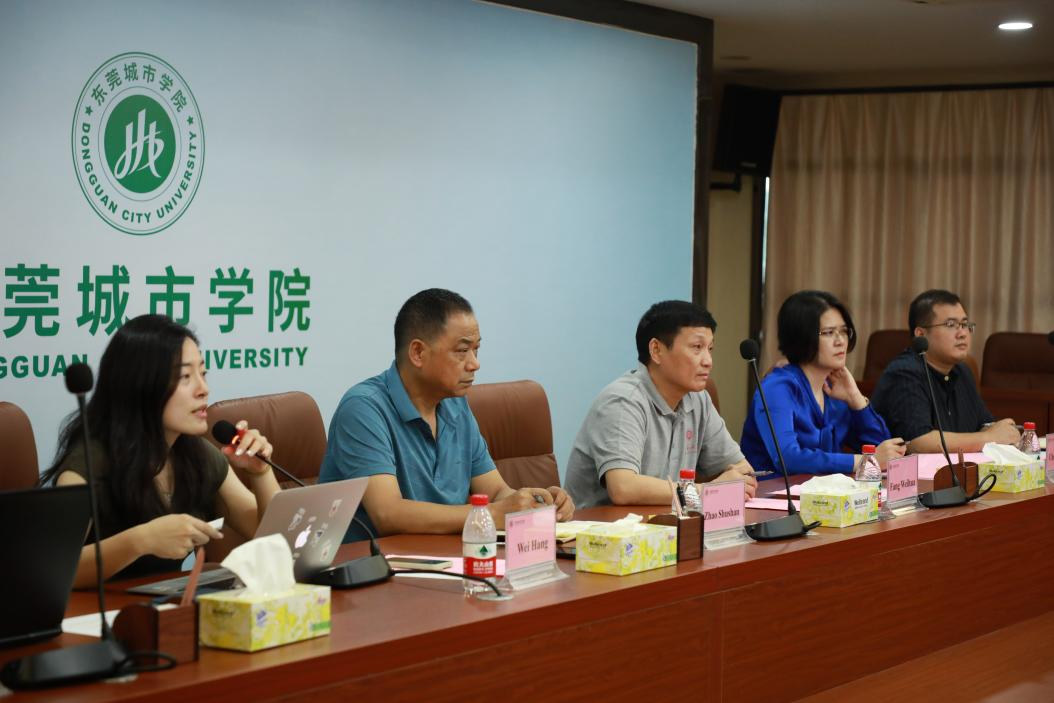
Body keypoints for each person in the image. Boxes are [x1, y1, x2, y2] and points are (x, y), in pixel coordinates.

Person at [40, 315, 281, 588]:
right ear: (141, 385)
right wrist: (140, 541)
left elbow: (274, 538)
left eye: (203, 374)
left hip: (166, 607)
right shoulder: (88, 464)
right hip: (95, 611)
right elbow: (55, 571)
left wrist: (261, 473)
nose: (203, 389)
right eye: (185, 377)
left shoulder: (196, 454)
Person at [319, 288, 574, 541]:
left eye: (476, 350)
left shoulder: (455, 405)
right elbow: (388, 513)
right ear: (418, 353)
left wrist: (534, 503)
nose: (474, 363)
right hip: (375, 562)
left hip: (444, 558)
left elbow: (496, 492)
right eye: (462, 351)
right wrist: (490, 514)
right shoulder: (364, 408)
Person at [564, 301, 757, 509]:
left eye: (710, 349)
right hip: (601, 528)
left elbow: (743, 471)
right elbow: (623, 487)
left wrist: (739, 480)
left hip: (665, 523)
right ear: (656, 350)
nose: (708, 361)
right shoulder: (623, 401)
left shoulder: (698, 399)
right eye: (697, 347)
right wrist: (705, 491)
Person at [740, 290, 904, 475]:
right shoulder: (777, 388)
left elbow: (884, 451)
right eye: (828, 333)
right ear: (801, 337)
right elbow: (788, 458)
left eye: (843, 331)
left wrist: (856, 399)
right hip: (773, 491)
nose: (840, 341)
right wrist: (863, 461)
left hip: (825, 491)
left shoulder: (835, 390)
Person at [871, 289, 1020, 453]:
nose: (962, 333)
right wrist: (989, 437)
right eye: (950, 325)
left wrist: (1000, 430)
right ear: (921, 334)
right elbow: (918, 442)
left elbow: (984, 424)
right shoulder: (904, 373)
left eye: (965, 324)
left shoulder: (962, 371)